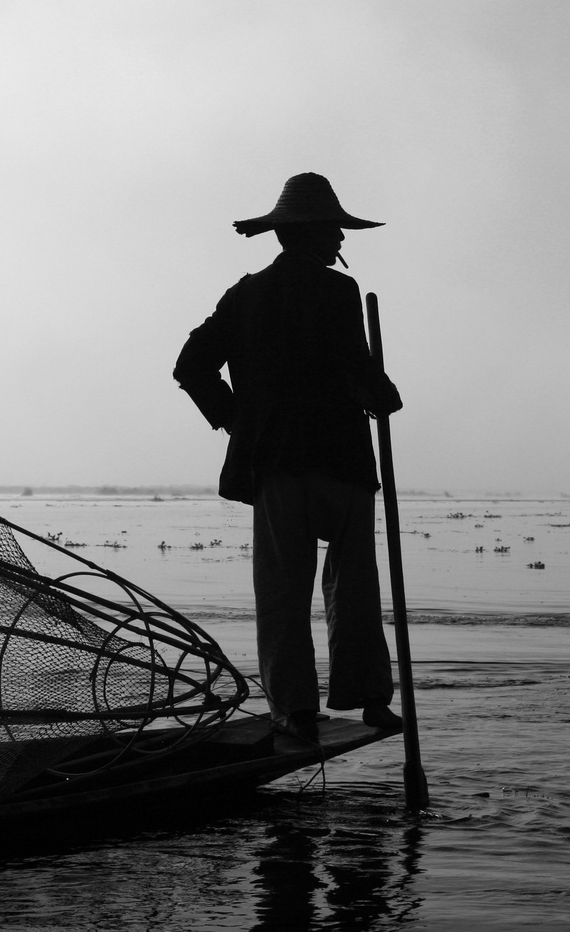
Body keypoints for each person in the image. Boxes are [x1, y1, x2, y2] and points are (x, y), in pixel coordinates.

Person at [173, 172, 403, 742]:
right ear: (315, 234)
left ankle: (295, 708)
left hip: (278, 462)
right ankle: (370, 697)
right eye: (334, 233)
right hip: (340, 461)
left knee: (283, 589)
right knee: (353, 587)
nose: (339, 244)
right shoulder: (337, 293)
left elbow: (191, 366)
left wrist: (236, 420)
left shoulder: (246, 294)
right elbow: (360, 375)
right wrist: (382, 395)